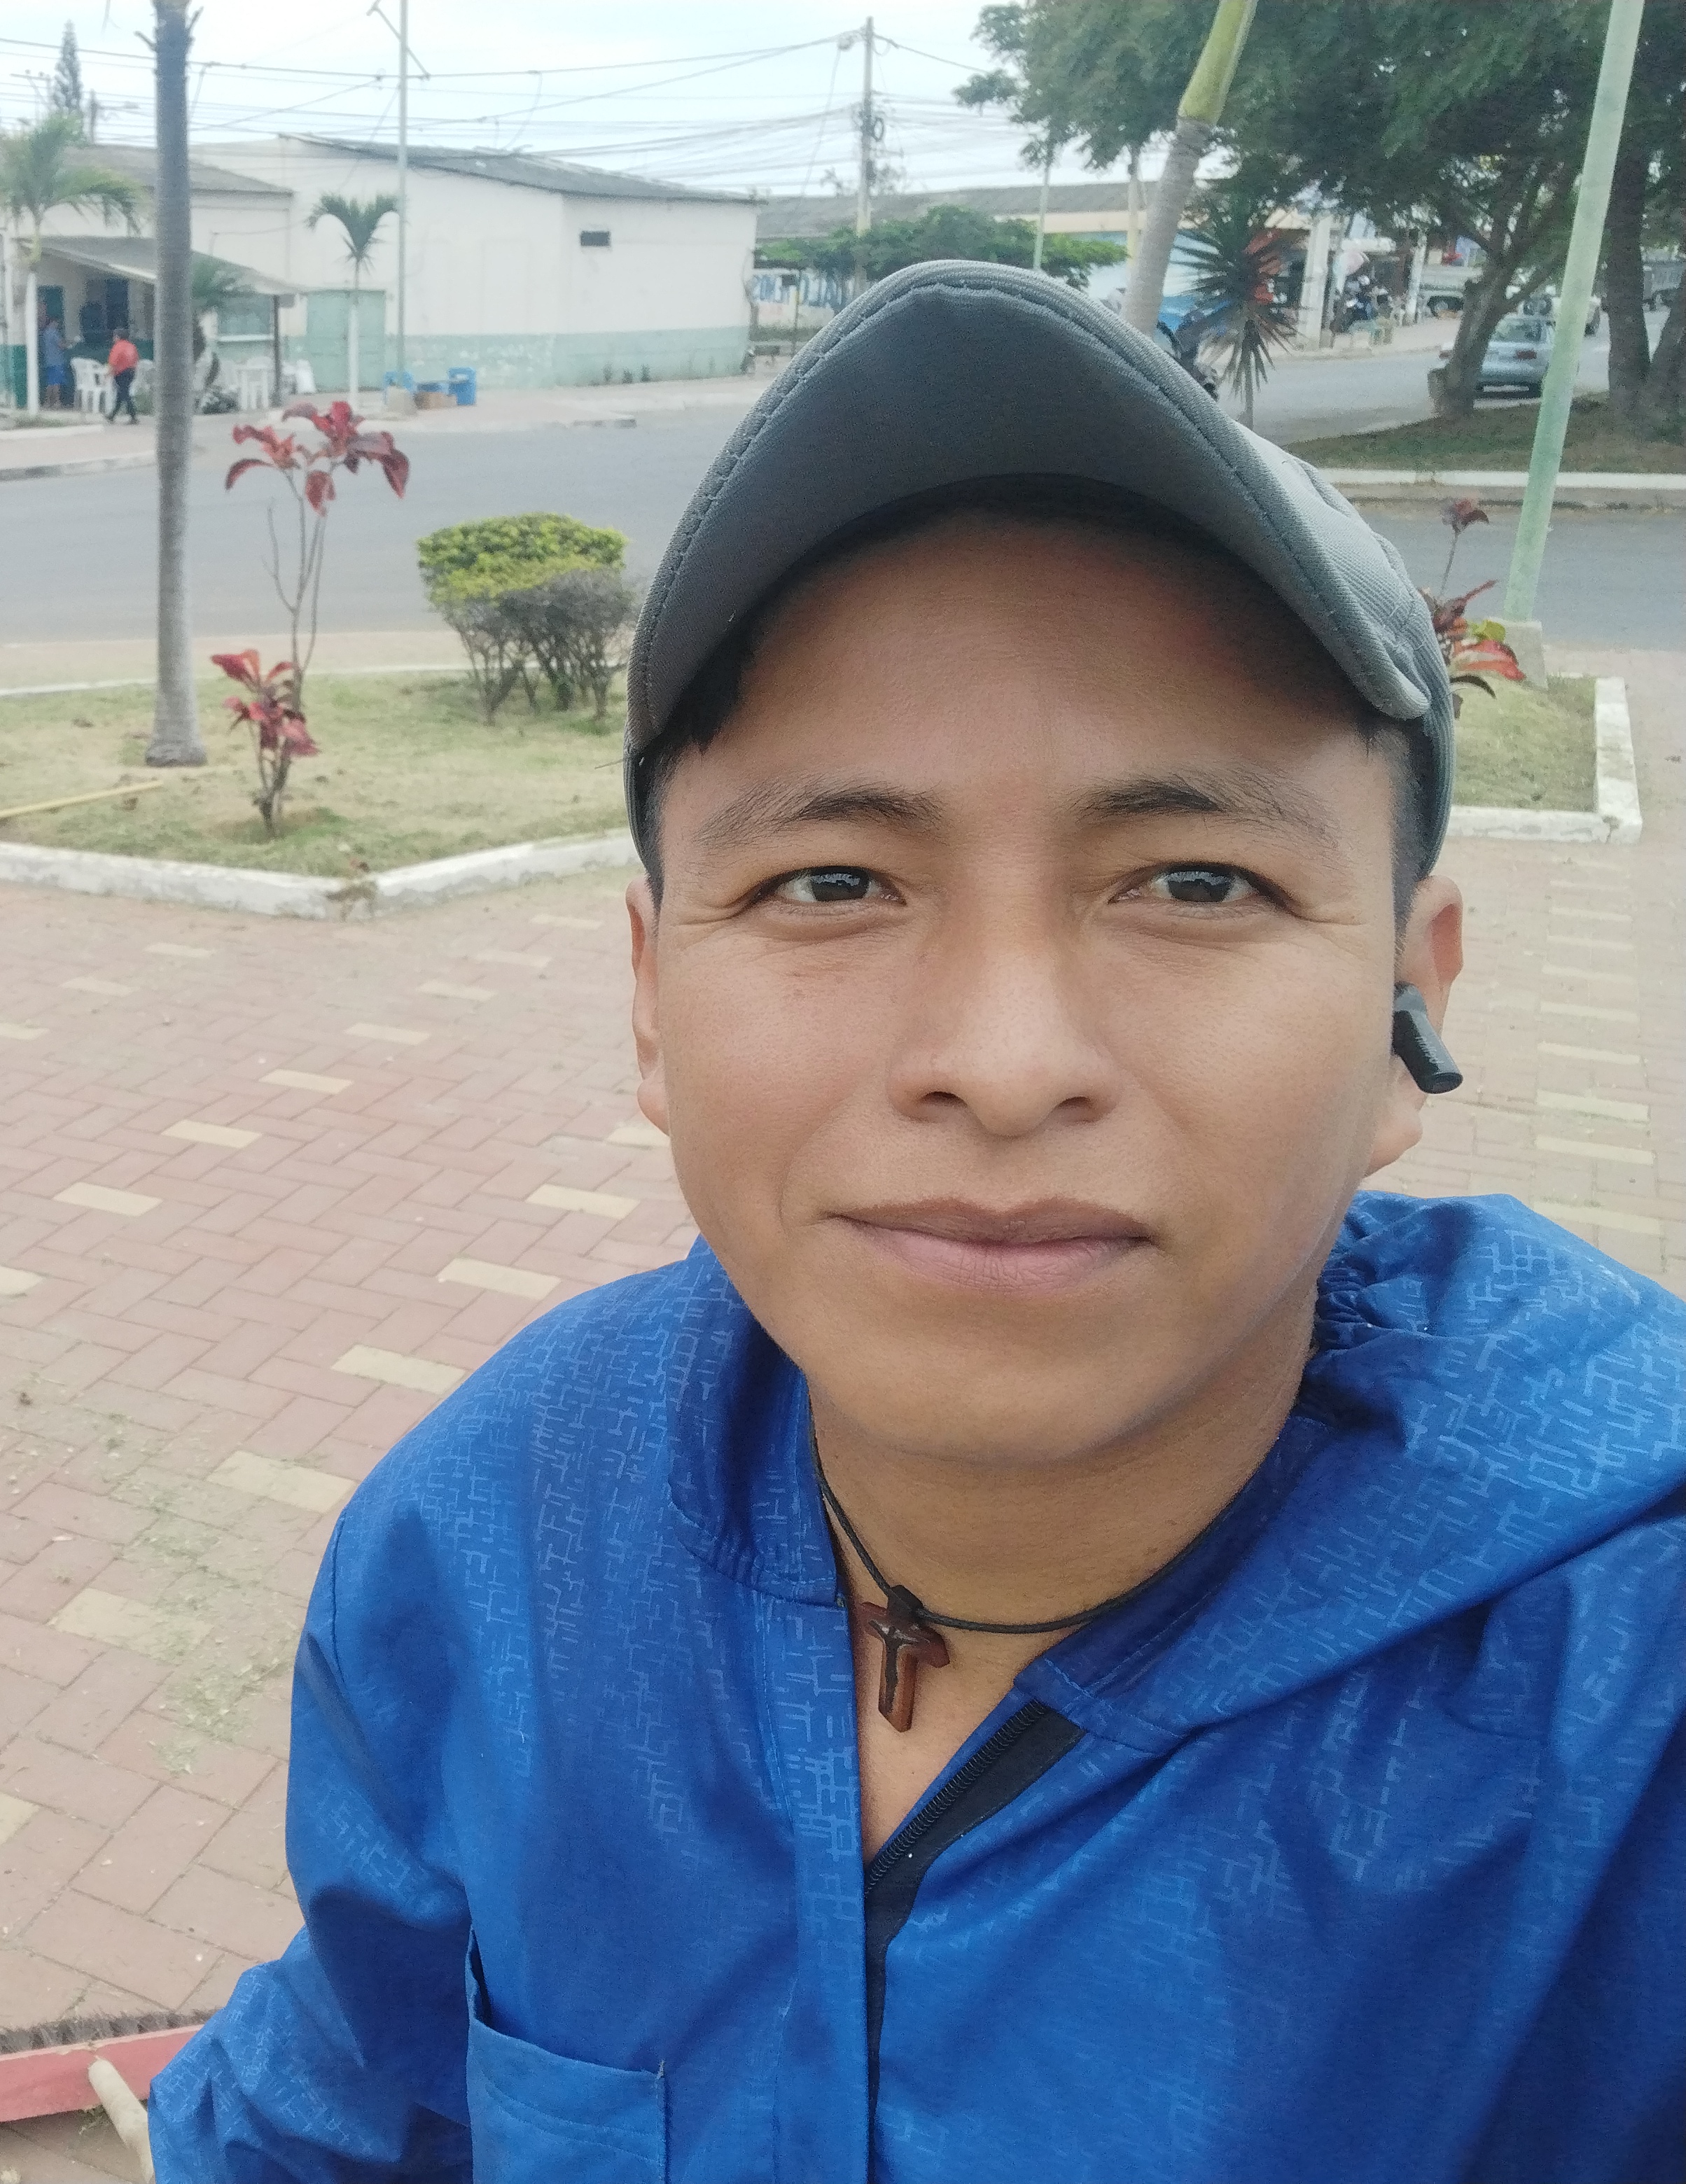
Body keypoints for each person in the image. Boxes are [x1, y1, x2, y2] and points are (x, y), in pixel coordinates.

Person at [138, 262, 1684, 2181]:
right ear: (651, 999)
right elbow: (342, 2099)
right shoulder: (495, 1535)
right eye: (833, 882)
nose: (1004, 1064)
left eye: (1194, 880)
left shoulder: (1622, 1710)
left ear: (1407, 1008)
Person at [109, 330, 140, 424]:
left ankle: (133, 416)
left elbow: (113, 362)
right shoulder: (132, 346)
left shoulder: (118, 347)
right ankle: (112, 415)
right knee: (121, 393)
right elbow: (136, 360)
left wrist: (108, 374)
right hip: (131, 372)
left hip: (121, 373)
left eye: (115, 336)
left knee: (125, 394)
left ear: (118, 337)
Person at [40, 314, 70, 411]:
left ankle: (47, 402)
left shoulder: (45, 333)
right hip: (57, 361)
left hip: (49, 361)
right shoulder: (54, 332)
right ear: (53, 322)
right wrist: (69, 344)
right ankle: (57, 402)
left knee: (50, 383)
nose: (57, 324)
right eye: (56, 323)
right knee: (57, 382)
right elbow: (61, 345)